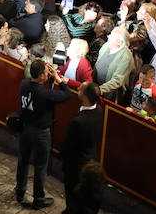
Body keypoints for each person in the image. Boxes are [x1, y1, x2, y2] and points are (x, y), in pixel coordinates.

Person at [14, 59, 73, 208]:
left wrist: (47, 74)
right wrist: (59, 79)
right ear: (41, 76)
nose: (48, 73)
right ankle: (38, 199)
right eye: (46, 72)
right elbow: (67, 94)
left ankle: (20, 191)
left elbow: (35, 88)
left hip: (25, 129)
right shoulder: (45, 94)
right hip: (40, 133)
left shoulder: (24, 84)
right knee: (40, 166)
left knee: (23, 160)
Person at [59, 81, 103, 205]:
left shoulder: (78, 122)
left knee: (73, 200)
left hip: (76, 167)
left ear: (84, 96)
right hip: (91, 160)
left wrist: (62, 157)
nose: (78, 88)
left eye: (80, 89)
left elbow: (68, 147)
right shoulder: (99, 111)